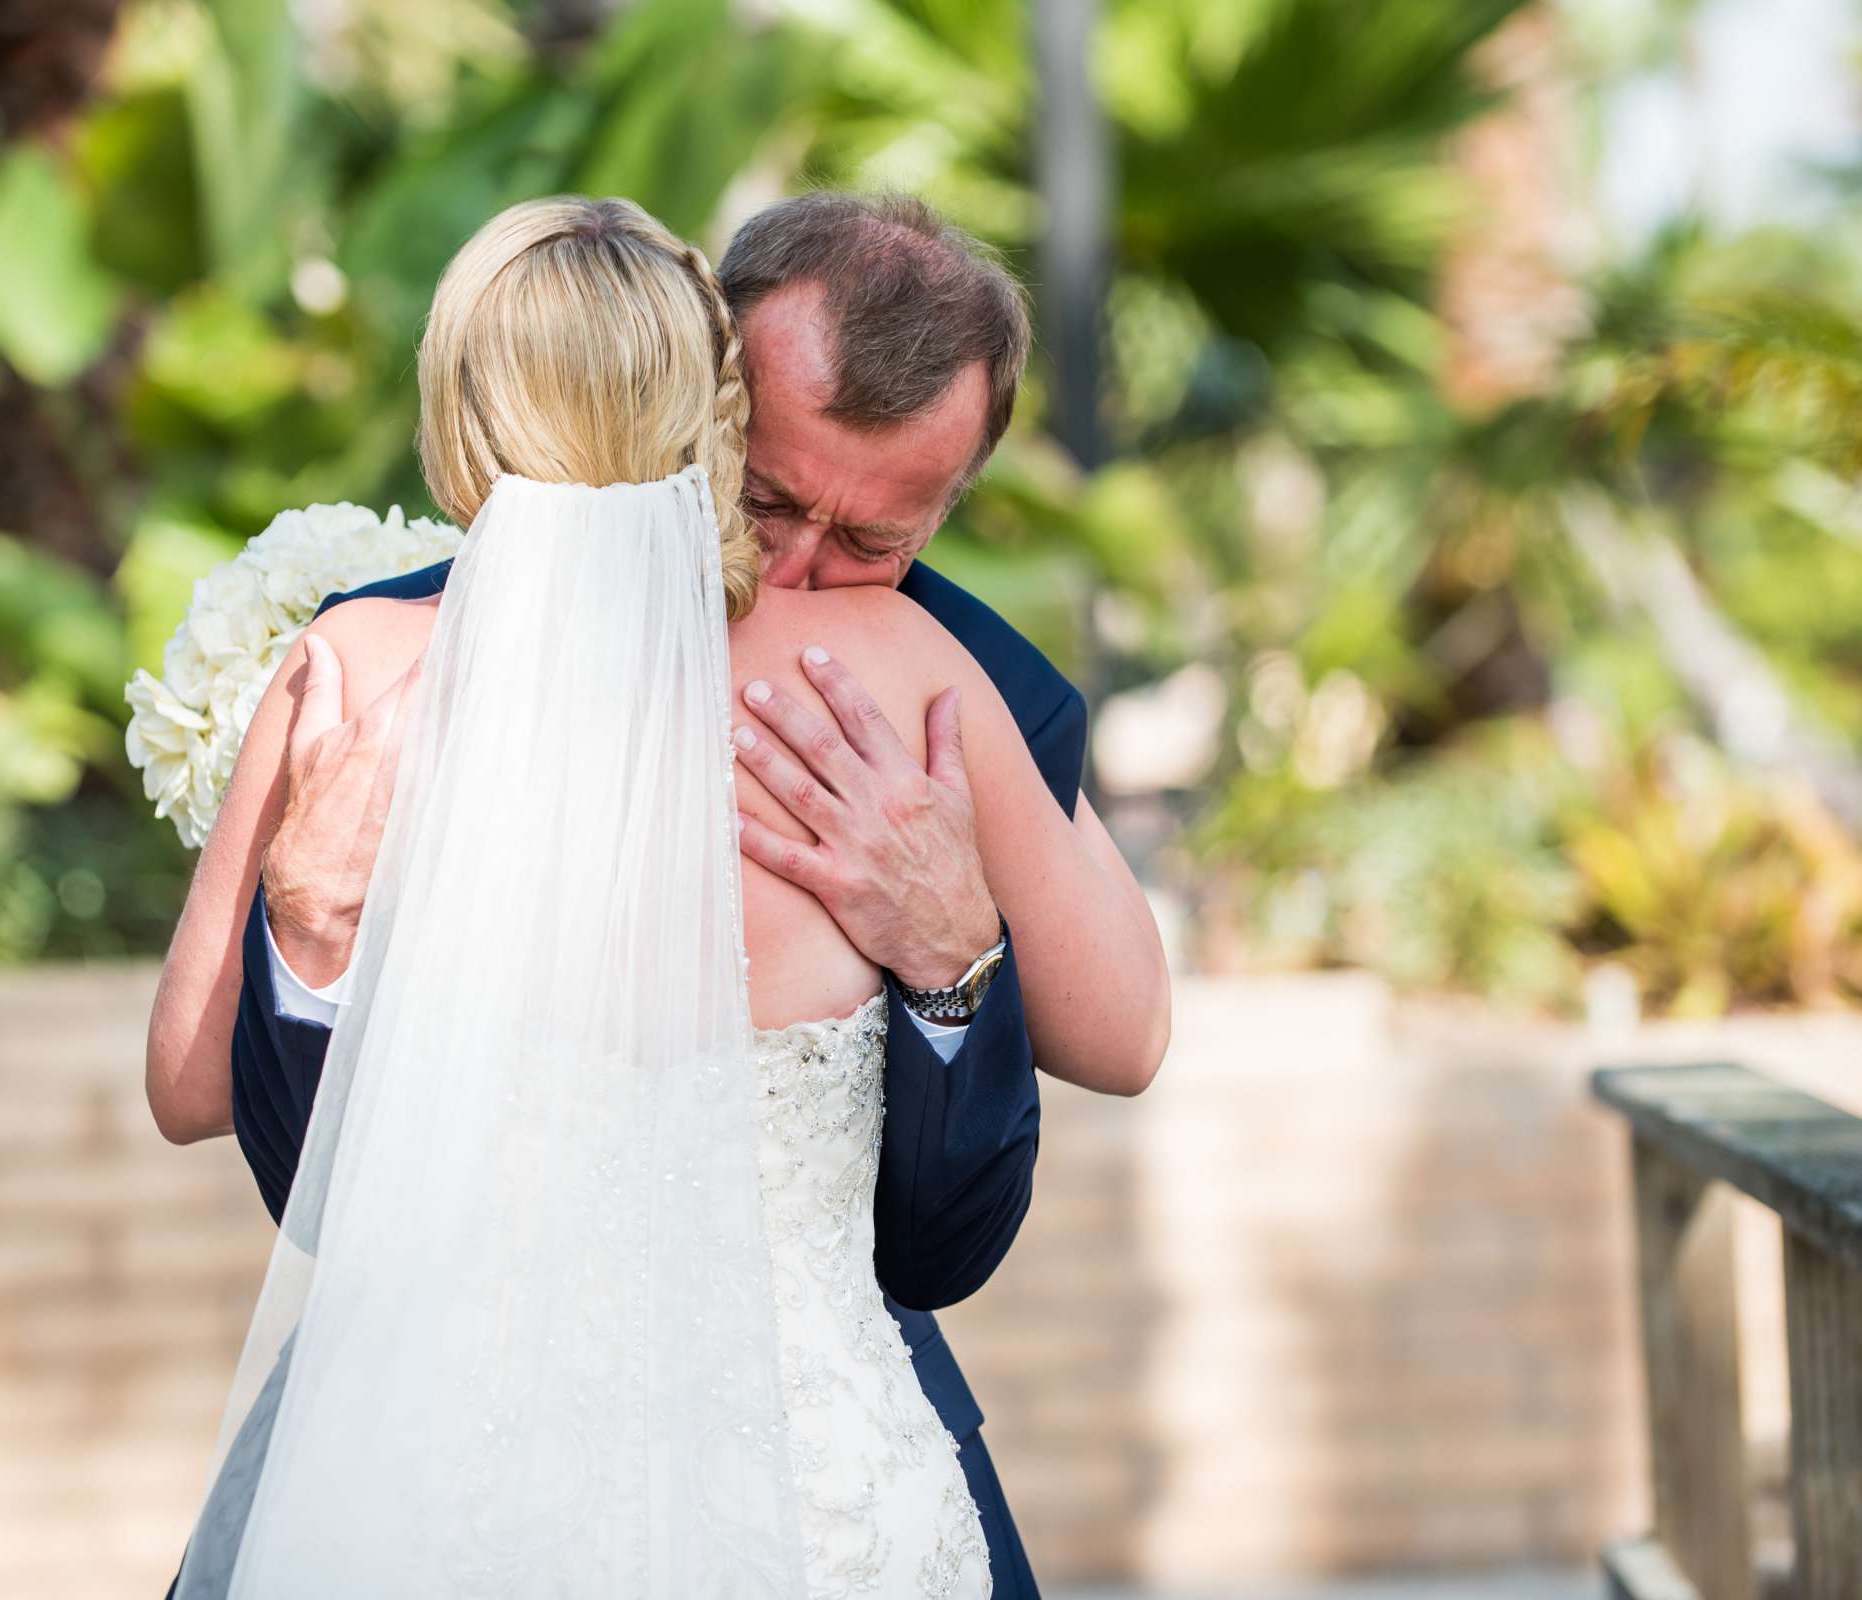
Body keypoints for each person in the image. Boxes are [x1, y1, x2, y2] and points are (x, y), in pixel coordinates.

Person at [149, 194, 1171, 1596]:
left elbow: (1125, 1033)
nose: (803, 569)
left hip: (687, 1443)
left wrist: (955, 938)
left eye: (876, 540)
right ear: (712, 382)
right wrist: (307, 924)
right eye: (770, 501)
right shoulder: (887, 665)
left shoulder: (934, 667)